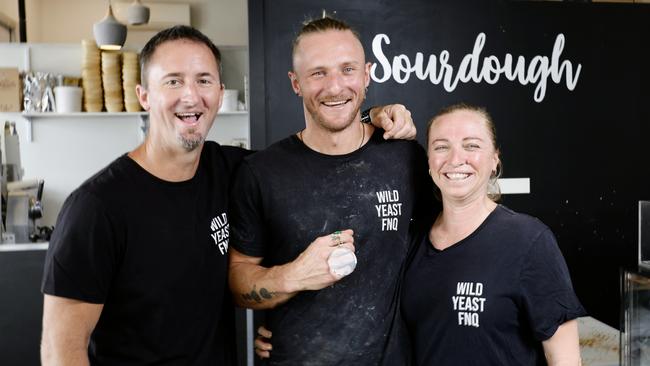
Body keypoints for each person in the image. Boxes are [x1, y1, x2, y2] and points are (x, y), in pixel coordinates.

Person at [39, 25, 417, 365]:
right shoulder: (96, 207)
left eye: (204, 81)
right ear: (144, 96)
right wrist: (295, 276)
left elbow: (321, 149)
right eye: (172, 81)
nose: (191, 96)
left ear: (220, 94)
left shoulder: (233, 169)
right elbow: (61, 352)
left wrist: (374, 115)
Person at [228, 16, 434, 365]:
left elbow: (441, 245)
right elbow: (238, 280)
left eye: (347, 69)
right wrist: (294, 276)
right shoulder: (261, 172)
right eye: (318, 73)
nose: (335, 86)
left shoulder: (404, 157)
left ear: (367, 74)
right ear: (296, 83)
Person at [401, 103, 586, 365]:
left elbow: (565, 360)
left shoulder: (529, 241)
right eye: (441, 147)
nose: (455, 159)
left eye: (471, 146)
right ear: (429, 162)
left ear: (494, 159)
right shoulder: (413, 241)